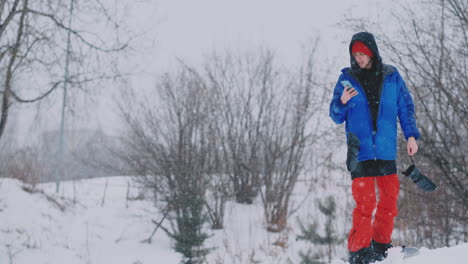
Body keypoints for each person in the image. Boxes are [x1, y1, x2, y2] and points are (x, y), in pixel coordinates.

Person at [329, 32, 420, 264]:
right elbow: (335, 115)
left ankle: (381, 246)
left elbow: (405, 107)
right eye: (355, 54)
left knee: (389, 199)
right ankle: (359, 252)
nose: (359, 58)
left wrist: (411, 136)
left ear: (372, 52)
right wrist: (342, 102)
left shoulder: (391, 76)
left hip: (386, 149)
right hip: (360, 151)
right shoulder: (346, 79)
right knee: (365, 203)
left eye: (363, 53)